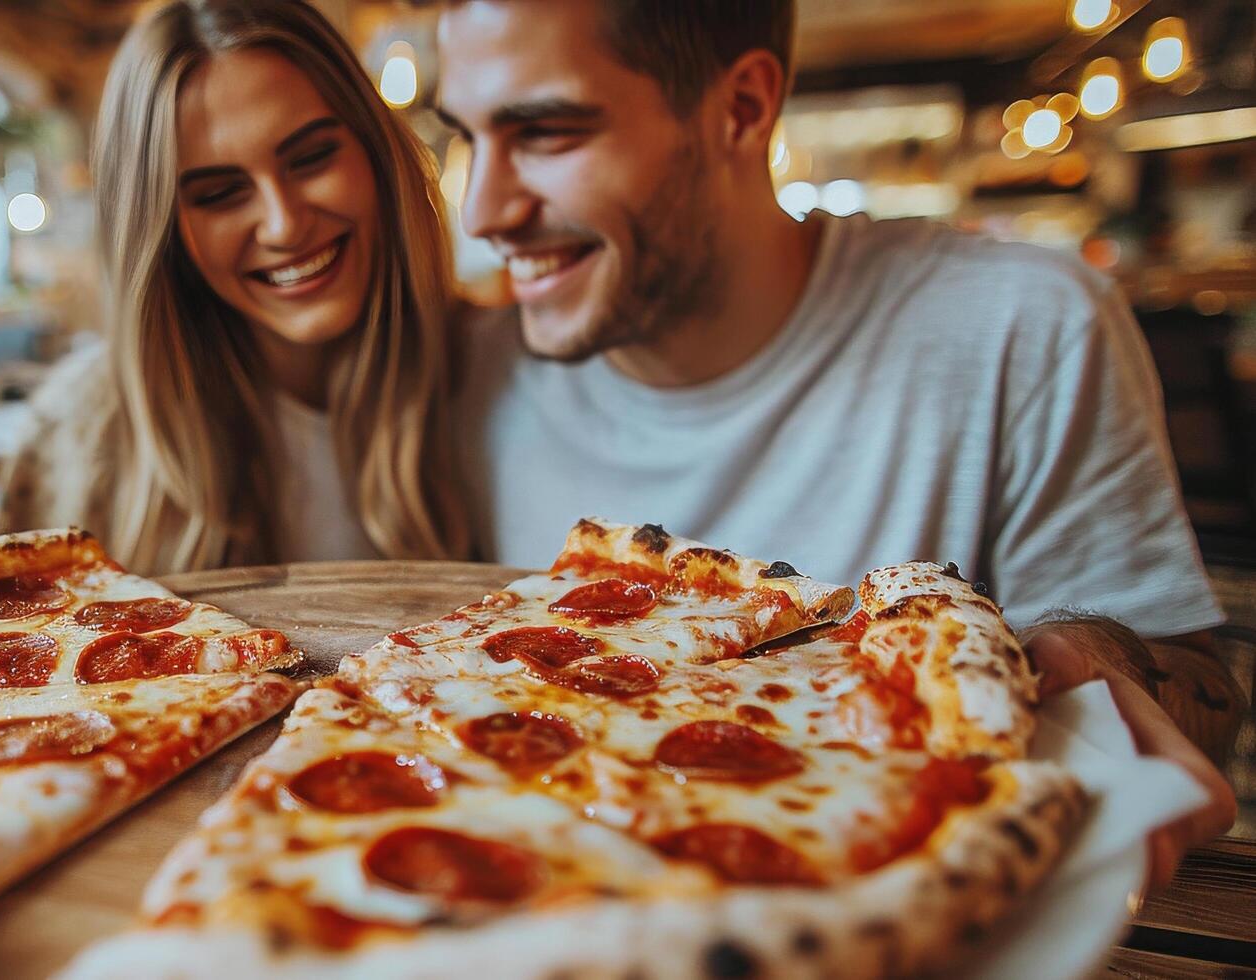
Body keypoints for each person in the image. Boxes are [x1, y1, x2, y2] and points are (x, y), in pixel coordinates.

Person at [433, 0, 1240, 886]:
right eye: (468, 138)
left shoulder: (1016, 323)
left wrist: (1091, 667)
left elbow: (1202, 695)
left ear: (740, 107)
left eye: (545, 132)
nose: (482, 211)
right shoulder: (467, 370)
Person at [0, 0, 469, 574]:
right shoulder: (72, 440)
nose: (284, 223)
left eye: (312, 158)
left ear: (377, 153)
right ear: (159, 238)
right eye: (218, 194)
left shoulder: (490, 375)